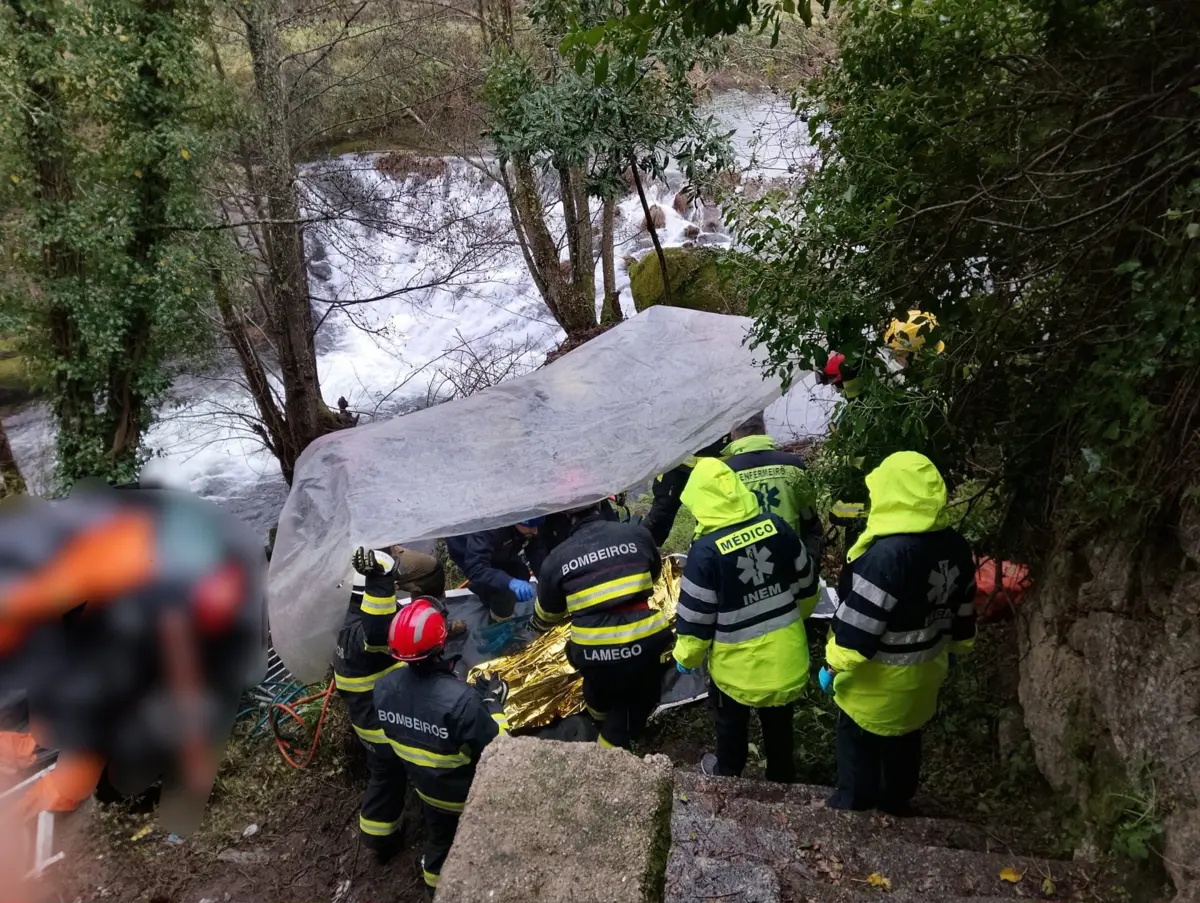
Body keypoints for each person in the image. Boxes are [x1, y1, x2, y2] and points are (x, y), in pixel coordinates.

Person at [819, 451, 976, 815]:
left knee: (859, 750)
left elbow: (859, 631)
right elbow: (963, 615)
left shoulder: (887, 555)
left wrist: (831, 666)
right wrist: (960, 646)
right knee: (905, 745)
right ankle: (896, 806)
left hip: (874, 687)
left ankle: (852, 809)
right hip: (924, 679)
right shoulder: (955, 545)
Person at [673, 458, 820, 782]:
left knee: (729, 723)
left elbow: (695, 623)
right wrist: (796, 620)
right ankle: (781, 775)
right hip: (787, 661)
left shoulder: (705, 552)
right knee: (779, 723)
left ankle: (728, 772)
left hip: (736, 672)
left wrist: (687, 658)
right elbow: (809, 585)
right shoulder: (777, 526)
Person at [374, 599, 509, 896]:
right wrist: (493, 704)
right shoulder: (461, 701)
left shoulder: (383, 688)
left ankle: (435, 889)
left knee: (439, 842)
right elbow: (499, 748)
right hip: (467, 795)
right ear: (440, 644)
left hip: (427, 790)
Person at [532, 502, 671, 750]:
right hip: (644, 643)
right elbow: (654, 575)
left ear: (566, 513)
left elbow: (548, 616)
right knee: (633, 706)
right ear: (599, 504)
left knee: (597, 686)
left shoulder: (556, 559)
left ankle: (602, 730)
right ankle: (615, 742)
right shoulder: (637, 535)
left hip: (591, 652)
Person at [331, 547, 407, 861]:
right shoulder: (366, 631)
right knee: (398, 775)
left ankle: (377, 836)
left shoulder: (342, 618)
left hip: (364, 719)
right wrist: (380, 580)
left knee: (383, 777)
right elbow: (378, 634)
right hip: (385, 726)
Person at [721, 411, 822, 563]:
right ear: (764, 428)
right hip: (791, 557)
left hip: (745, 563)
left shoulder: (722, 473)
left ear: (733, 433)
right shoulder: (793, 465)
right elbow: (809, 517)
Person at [445, 518, 546, 623]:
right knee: (501, 590)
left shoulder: (529, 524)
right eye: (530, 527)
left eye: (536, 526)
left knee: (521, 573)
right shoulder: (487, 529)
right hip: (470, 553)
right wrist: (508, 581)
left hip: (504, 545)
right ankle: (499, 618)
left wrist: (545, 579)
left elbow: (536, 551)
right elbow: (476, 568)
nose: (535, 531)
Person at [640, 434, 729, 547]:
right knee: (661, 512)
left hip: (716, 465)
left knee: (711, 517)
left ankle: (704, 556)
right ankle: (642, 553)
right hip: (676, 462)